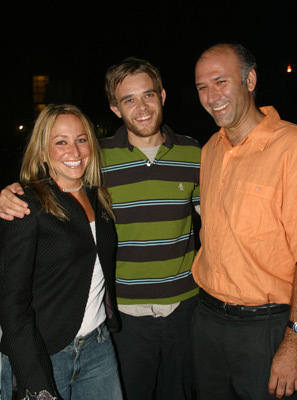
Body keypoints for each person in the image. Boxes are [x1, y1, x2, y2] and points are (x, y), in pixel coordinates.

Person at [0, 58, 201, 400]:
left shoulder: (193, 153)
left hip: (177, 310)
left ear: (163, 96)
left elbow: (212, 218)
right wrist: (10, 192)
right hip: (119, 318)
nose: (141, 107)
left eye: (148, 95)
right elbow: (12, 301)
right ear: (114, 107)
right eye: (128, 99)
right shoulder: (98, 161)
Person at [191, 42, 297, 399]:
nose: (211, 96)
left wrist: (295, 338)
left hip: (268, 329)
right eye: (202, 87)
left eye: (221, 81)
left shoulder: (292, 147)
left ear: (249, 80)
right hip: (207, 320)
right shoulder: (209, 151)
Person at [0, 104, 123, 400]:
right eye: (61, 142)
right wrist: (35, 379)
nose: (75, 151)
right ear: (42, 152)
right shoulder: (27, 206)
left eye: (81, 140)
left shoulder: (99, 197)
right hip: (44, 353)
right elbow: (10, 304)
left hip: (98, 346)